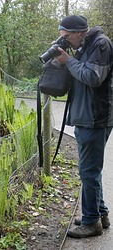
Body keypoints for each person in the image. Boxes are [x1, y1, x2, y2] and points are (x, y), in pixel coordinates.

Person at [55, 15, 113, 238]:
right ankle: (100, 214)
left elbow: (92, 77)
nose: (66, 41)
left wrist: (68, 61)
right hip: (85, 117)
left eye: (67, 37)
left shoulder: (101, 44)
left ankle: (91, 223)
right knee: (90, 171)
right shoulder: (84, 46)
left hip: (95, 118)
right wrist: (65, 59)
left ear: (79, 32)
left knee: (88, 171)